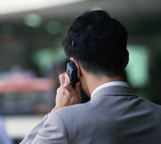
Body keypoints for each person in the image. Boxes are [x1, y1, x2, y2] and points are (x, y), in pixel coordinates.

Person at [20, 10, 161, 144]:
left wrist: (57, 110)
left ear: (75, 67)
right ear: (126, 59)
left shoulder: (63, 121)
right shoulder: (157, 115)